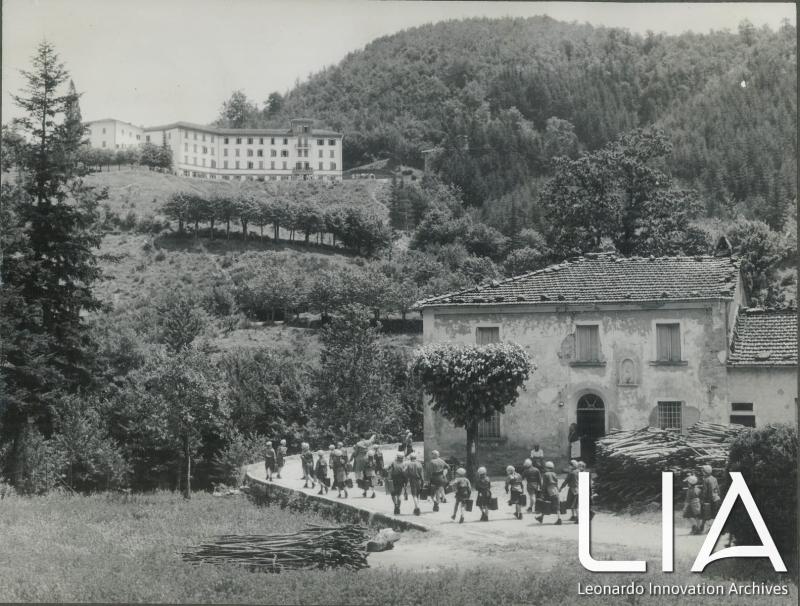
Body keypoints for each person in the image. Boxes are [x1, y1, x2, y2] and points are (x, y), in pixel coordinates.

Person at [699, 464, 721, 532]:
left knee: (707, 514)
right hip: (716, 498)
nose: (702, 473)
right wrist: (718, 495)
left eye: (703, 471)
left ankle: (707, 528)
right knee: (714, 514)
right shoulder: (714, 478)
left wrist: (703, 499)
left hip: (710, 499)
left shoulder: (705, 480)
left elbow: (705, 491)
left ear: (705, 472)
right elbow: (717, 488)